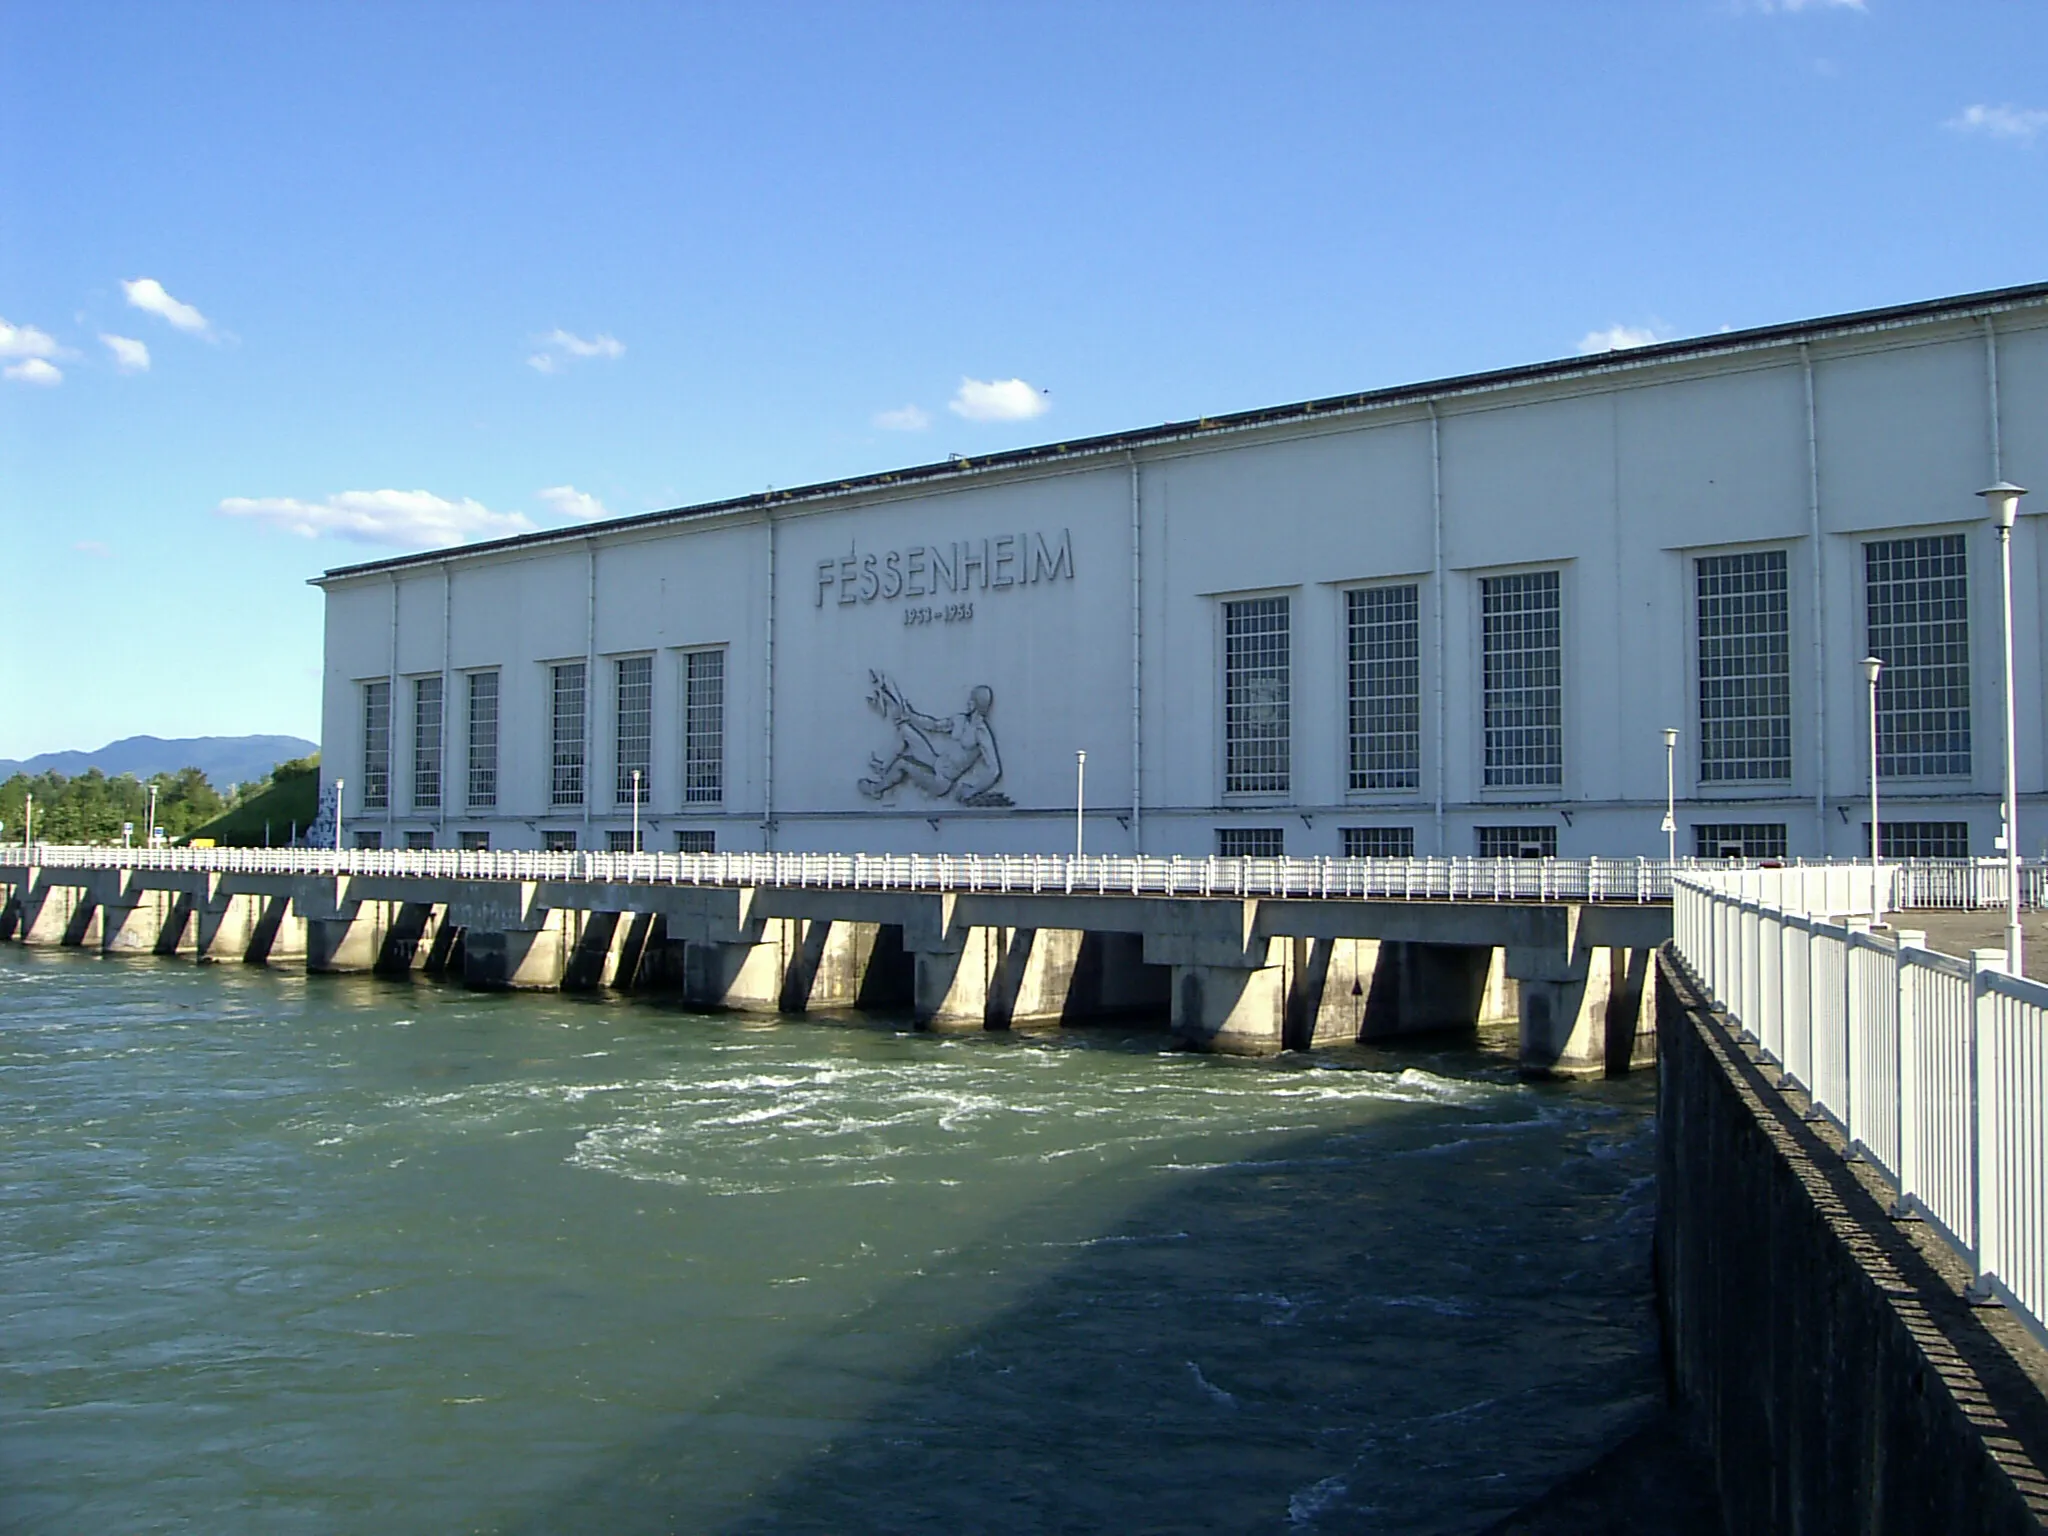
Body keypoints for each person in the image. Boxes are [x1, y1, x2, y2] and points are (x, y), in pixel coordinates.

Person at [858, 674, 1009, 806]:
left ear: (978, 705)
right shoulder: (960, 719)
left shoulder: (981, 733)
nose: (968, 702)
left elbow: (994, 770)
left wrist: (973, 790)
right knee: (905, 730)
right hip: (934, 761)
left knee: (903, 763)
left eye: (972, 700)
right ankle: (883, 768)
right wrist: (911, 715)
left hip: (941, 780)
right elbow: (934, 725)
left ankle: (875, 790)